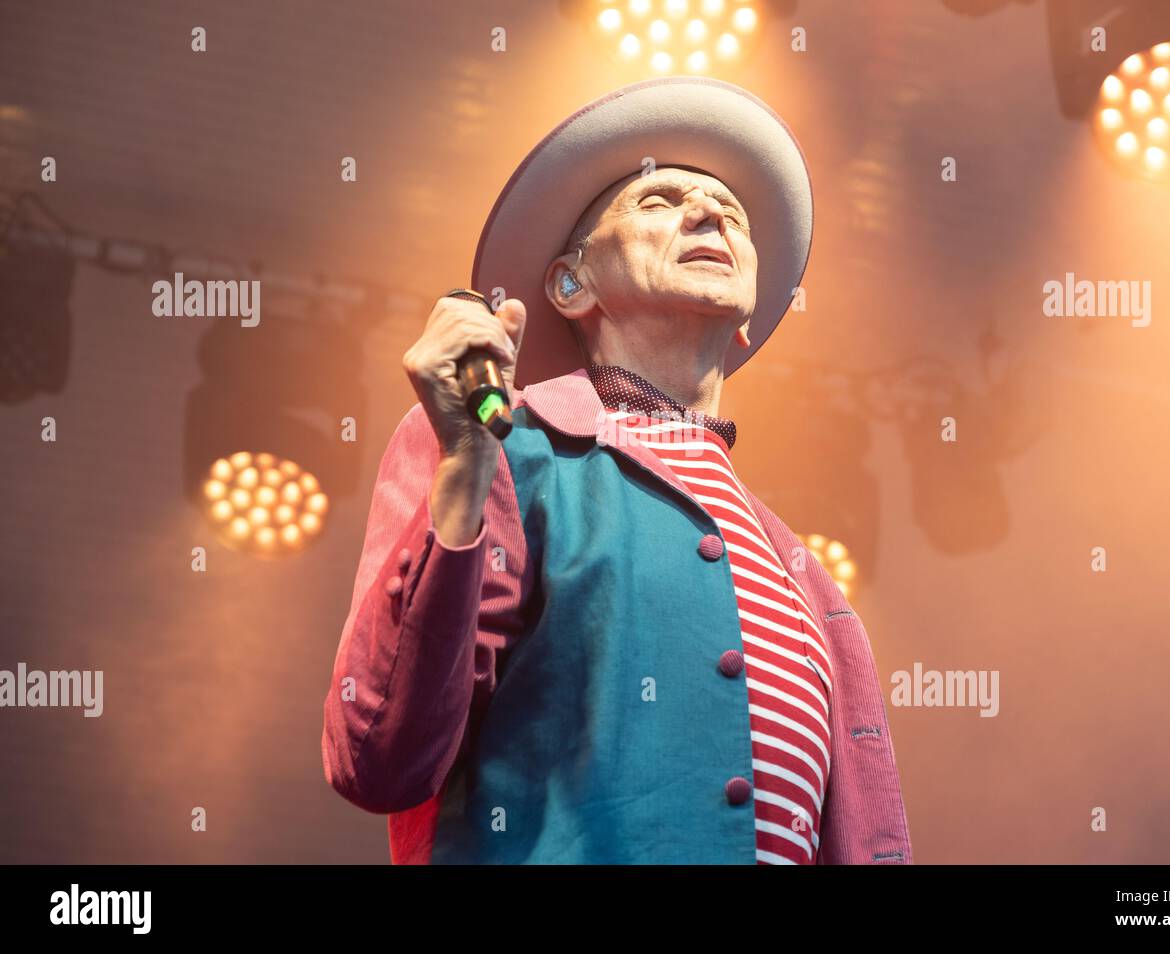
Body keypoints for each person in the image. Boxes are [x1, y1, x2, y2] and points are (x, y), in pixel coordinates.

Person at [322, 77, 912, 864]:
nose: (708, 213)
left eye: (730, 214)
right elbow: (378, 759)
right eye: (660, 200)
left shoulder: (804, 577)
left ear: (747, 316)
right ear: (570, 284)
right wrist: (466, 467)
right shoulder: (506, 445)